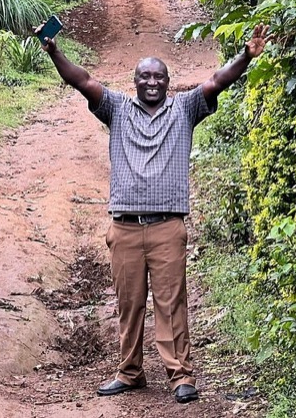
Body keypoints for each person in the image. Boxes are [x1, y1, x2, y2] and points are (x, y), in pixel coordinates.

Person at [35, 21, 270, 404]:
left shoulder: (185, 109)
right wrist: (54, 51)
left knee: (171, 303)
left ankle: (180, 377)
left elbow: (215, 81)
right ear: (135, 81)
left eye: (158, 77)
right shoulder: (116, 109)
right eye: (144, 76)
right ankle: (130, 373)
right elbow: (84, 81)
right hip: (125, 227)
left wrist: (245, 55)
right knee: (128, 305)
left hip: (166, 228)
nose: (151, 82)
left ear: (167, 81)